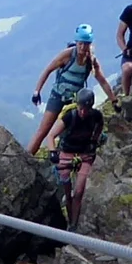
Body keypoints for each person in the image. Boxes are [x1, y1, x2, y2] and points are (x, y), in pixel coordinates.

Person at [26, 25, 115, 155]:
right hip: (58, 95)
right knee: (43, 130)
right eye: (80, 44)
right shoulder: (67, 55)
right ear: (77, 42)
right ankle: (27, 157)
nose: (82, 47)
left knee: (71, 129)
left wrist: (114, 100)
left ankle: (65, 157)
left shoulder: (92, 60)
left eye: (86, 44)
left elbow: (102, 80)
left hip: (75, 101)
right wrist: (36, 91)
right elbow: (48, 70)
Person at [44, 87, 104, 229]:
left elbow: (100, 126)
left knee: (78, 191)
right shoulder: (69, 117)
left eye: (86, 109)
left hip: (85, 155)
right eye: (81, 108)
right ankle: (70, 220)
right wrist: (53, 152)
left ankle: (74, 225)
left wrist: (94, 141)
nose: (83, 112)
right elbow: (51, 136)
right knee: (67, 191)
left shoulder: (96, 116)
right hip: (66, 154)